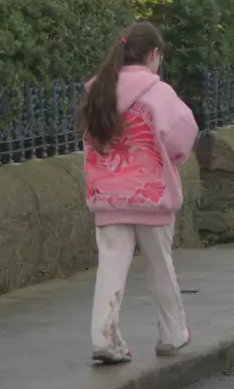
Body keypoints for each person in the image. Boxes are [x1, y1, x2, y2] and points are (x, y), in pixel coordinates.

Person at [80, 22, 198, 366]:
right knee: (161, 266)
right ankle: (172, 333)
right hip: (152, 196)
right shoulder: (158, 93)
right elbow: (182, 136)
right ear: (154, 54)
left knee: (110, 268)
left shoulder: (97, 92)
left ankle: (105, 338)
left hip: (108, 196)